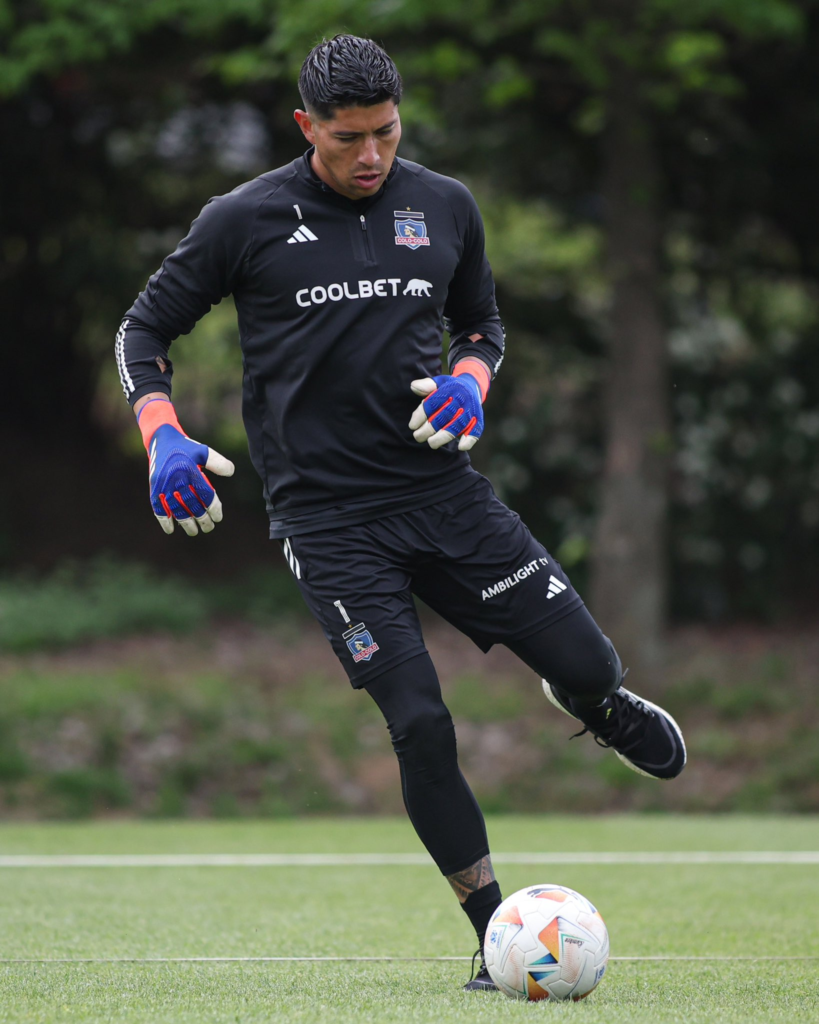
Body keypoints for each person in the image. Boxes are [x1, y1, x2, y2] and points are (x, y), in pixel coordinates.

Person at [116, 34, 686, 991]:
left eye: (384, 133)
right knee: (420, 723)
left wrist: (471, 379)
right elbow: (145, 329)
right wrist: (163, 434)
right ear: (307, 129)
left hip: (443, 495)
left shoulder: (443, 204)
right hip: (329, 523)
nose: (370, 155)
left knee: (591, 663)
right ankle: (490, 926)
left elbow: (483, 325)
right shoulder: (242, 219)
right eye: (348, 139)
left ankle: (586, 698)